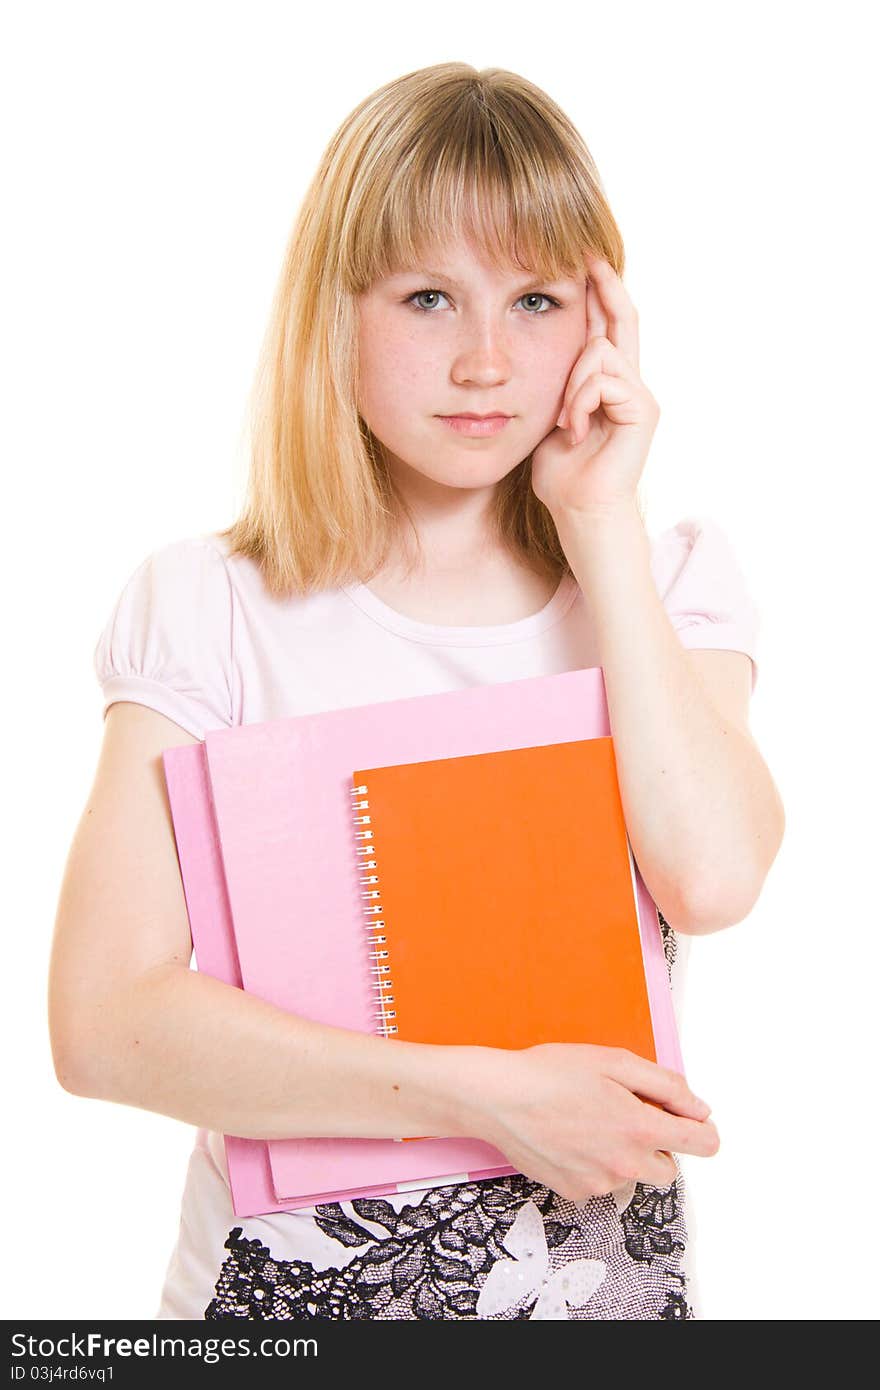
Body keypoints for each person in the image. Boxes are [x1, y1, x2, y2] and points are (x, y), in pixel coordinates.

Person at [48, 62, 785, 1321]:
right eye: (430, 297)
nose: (487, 360)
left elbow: (710, 879)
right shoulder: (211, 604)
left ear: (601, 323)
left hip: (589, 1296)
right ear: (338, 310)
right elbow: (104, 1022)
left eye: (539, 299)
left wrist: (599, 523)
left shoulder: (660, 584)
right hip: (278, 1303)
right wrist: (484, 1095)